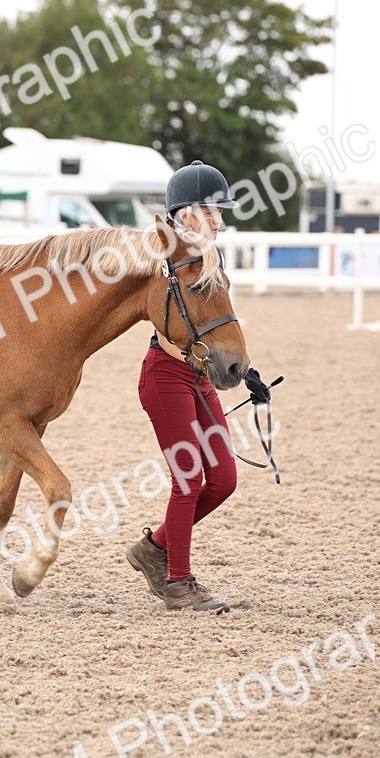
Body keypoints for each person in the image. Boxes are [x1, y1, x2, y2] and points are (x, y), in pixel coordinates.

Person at [126, 159, 242, 613]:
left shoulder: (211, 255)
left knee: (225, 480)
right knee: (189, 481)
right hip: (166, 376)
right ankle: (177, 581)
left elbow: (213, 321)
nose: (220, 219)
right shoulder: (164, 257)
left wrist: (236, 365)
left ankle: (153, 548)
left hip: (198, 376)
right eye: (213, 211)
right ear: (189, 212)